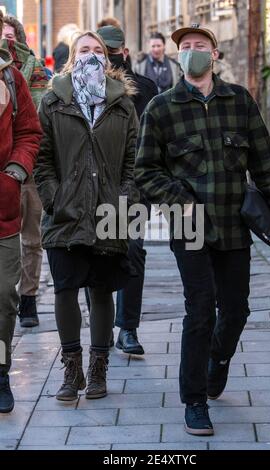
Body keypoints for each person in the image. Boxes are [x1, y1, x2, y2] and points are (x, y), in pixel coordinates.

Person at [135, 24, 270, 436]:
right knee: (200, 310)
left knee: (237, 309)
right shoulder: (161, 108)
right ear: (178, 57)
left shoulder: (238, 100)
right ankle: (194, 401)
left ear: (215, 54)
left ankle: (218, 362)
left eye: (199, 47)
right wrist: (180, 199)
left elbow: (264, 158)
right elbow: (145, 172)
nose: (191, 52)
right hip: (189, 228)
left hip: (232, 224)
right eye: (185, 48)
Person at [34, 31, 138, 402]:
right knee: (64, 289)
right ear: (71, 57)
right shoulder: (53, 101)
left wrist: (123, 201)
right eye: (84, 50)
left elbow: (132, 161)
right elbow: (41, 158)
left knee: (101, 290)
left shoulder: (122, 105)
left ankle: (98, 368)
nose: (90, 55)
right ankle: (71, 366)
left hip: (108, 212)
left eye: (97, 50)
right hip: (65, 212)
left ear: (107, 57)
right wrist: (54, 199)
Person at [98, 25, 158, 355]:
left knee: (132, 249)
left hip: (134, 185)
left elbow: (156, 139)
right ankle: (102, 325)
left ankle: (128, 328)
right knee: (98, 252)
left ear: (125, 52)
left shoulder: (145, 89)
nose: (108, 59)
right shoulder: (83, 89)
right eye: (101, 52)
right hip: (93, 185)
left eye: (113, 51)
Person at [0, 10, 42, 413]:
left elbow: (30, 130)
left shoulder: (11, 77)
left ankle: (0, 371)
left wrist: (15, 172)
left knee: (2, 299)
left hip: (2, 210)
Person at [1, 14, 49, 328]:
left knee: (31, 237)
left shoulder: (30, 70)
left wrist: (18, 168)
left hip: (26, 168)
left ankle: (29, 297)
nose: (4, 38)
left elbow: (37, 115)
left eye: (8, 33)